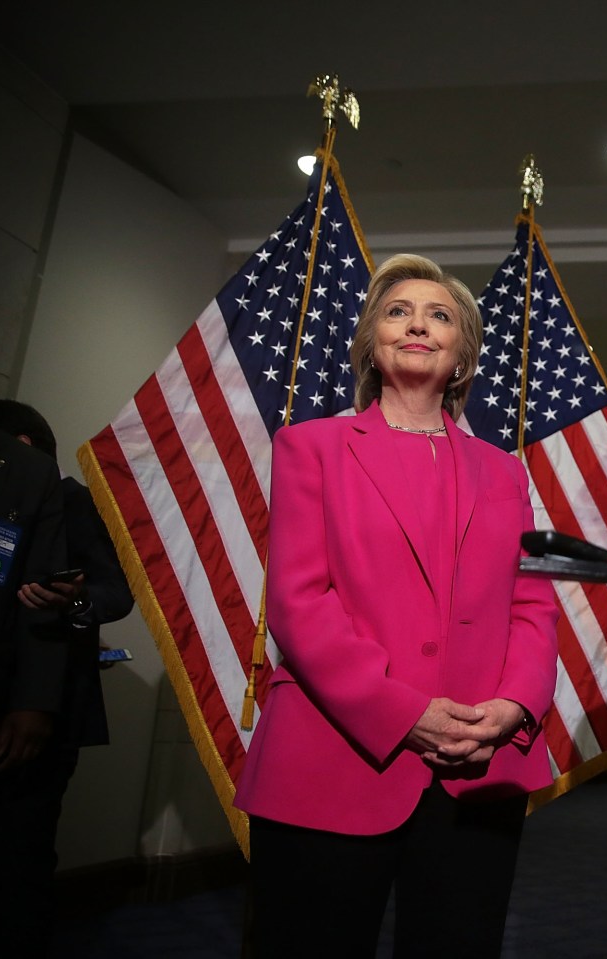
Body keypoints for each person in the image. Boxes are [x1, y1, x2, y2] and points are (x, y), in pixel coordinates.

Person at [234, 254, 560, 958]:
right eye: (398, 311)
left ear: (463, 352)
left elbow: (533, 603)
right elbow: (298, 602)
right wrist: (402, 712)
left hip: (477, 762)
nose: (418, 322)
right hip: (330, 761)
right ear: (369, 345)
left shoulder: (505, 472)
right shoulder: (310, 447)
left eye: (439, 314)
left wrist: (517, 705)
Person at [0, 400, 135, 959]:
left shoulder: (72, 502)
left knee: (17, 859)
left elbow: (113, 593)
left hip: (46, 713)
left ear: (23, 449)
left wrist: (73, 598)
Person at [0, 423, 68, 958]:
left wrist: (34, 700)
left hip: (8, 695)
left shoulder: (32, 477)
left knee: (15, 861)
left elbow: (38, 600)